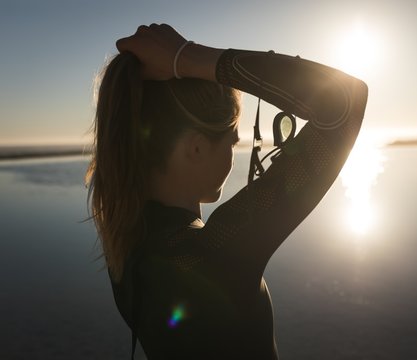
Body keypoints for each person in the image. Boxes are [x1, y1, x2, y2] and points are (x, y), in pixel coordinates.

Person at [87, 23, 368, 359]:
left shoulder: (126, 241)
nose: (234, 153)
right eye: (232, 142)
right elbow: (345, 100)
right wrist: (185, 56)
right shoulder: (215, 253)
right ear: (196, 148)